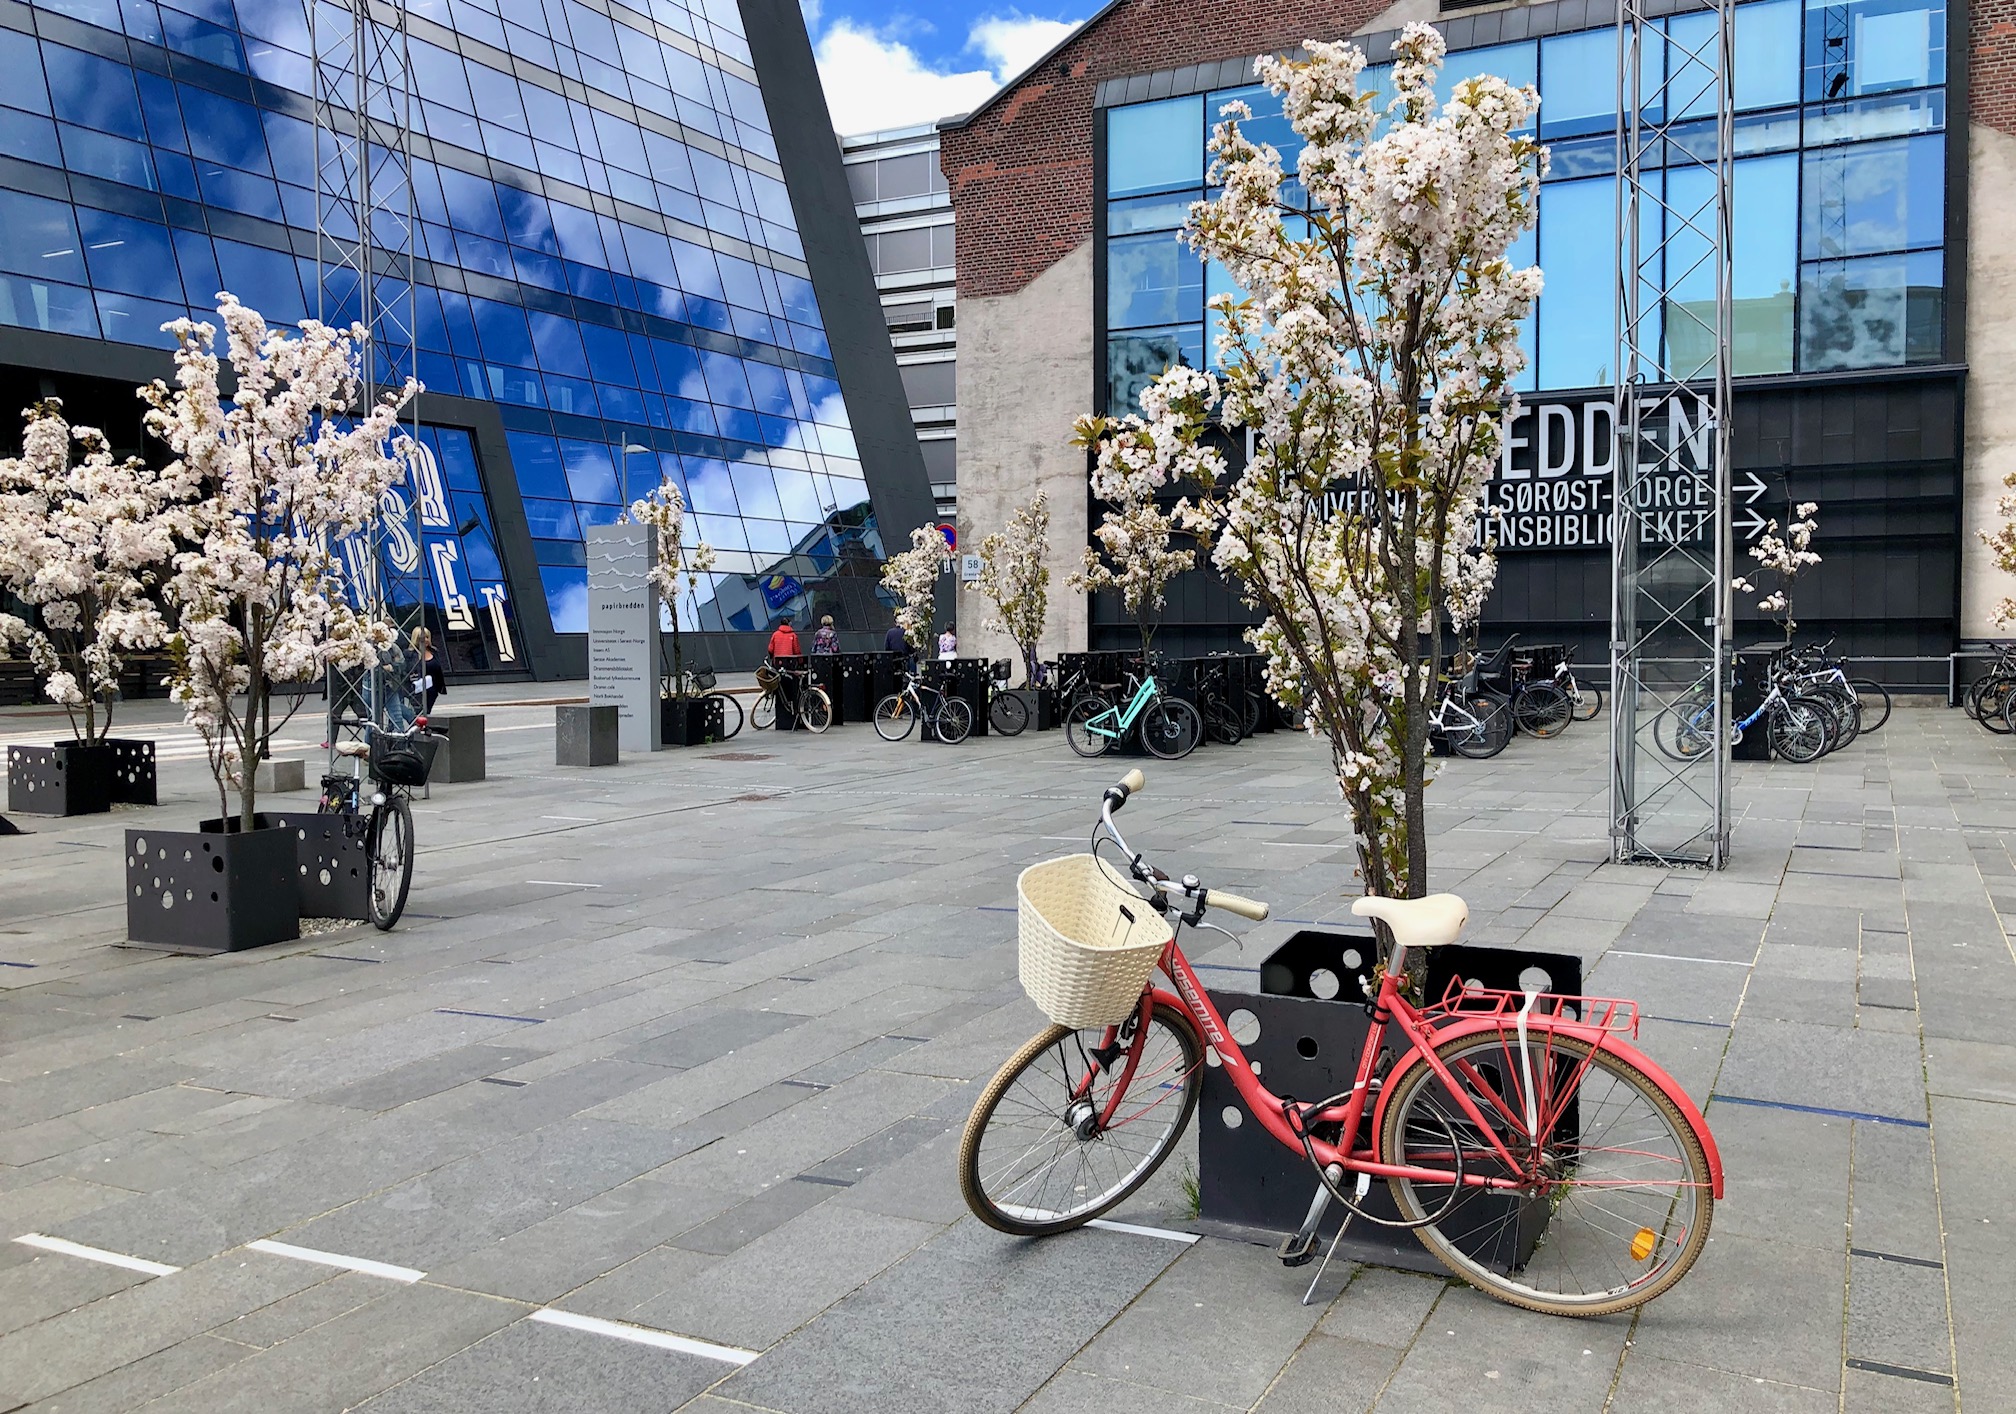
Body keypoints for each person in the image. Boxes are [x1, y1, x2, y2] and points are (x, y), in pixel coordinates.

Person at [409, 627, 446, 716]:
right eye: (422, 638)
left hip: (432, 690)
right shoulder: (411, 654)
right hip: (418, 690)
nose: (425, 640)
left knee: (427, 713)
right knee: (419, 713)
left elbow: (438, 669)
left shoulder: (434, 651)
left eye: (427, 637)